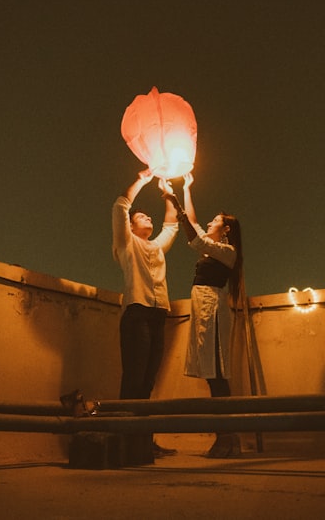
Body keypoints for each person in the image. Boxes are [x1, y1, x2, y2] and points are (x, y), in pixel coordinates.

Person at [162, 173, 244, 458]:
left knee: (217, 375)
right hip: (205, 310)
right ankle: (226, 437)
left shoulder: (227, 251)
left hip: (213, 312)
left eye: (216, 220)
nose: (211, 222)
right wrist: (187, 188)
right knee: (213, 375)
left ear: (227, 230)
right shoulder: (216, 249)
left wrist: (177, 204)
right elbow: (196, 226)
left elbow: (195, 235)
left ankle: (227, 437)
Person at [111, 169, 179, 457]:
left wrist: (168, 196)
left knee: (149, 380)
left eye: (149, 217)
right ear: (130, 225)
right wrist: (143, 178)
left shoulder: (155, 247)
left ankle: (142, 442)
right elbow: (120, 205)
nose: (148, 218)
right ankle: (123, 441)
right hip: (137, 313)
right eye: (142, 217)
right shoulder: (126, 244)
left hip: (158, 314)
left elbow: (172, 226)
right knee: (134, 378)